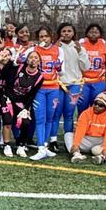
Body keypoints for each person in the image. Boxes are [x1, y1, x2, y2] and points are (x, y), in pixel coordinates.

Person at [29, 26, 63, 160]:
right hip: (39, 88)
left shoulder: (58, 50)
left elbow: (62, 72)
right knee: (40, 118)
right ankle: (40, 147)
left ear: (51, 37)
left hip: (54, 87)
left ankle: (45, 145)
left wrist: (59, 67)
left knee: (50, 117)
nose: (44, 39)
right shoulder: (34, 49)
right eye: (41, 36)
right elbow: (19, 61)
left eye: (46, 36)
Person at [66, 92, 106, 165]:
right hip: (86, 140)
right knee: (68, 135)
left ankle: (102, 157)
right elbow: (80, 129)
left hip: (101, 141)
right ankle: (76, 154)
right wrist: (76, 144)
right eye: (95, 103)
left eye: (101, 105)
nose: (96, 106)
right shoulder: (86, 113)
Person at [56, 23, 88, 150]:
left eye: (69, 31)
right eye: (63, 31)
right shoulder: (56, 47)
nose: (66, 33)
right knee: (56, 114)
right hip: (59, 84)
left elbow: (85, 67)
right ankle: (53, 141)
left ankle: (68, 142)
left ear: (74, 33)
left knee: (69, 114)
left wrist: (80, 52)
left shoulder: (79, 47)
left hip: (74, 85)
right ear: (60, 33)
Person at [6, 50, 44, 157]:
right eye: (31, 57)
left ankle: (21, 146)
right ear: (27, 60)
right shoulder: (18, 68)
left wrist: (26, 108)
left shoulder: (40, 77)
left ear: (39, 61)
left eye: (36, 58)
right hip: (9, 98)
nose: (33, 59)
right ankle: (6, 144)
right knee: (7, 118)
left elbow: (32, 94)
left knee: (26, 122)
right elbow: (8, 85)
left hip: (22, 102)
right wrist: (11, 99)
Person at [79, 23, 106, 111]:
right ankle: (82, 124)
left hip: (99, 82)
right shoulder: (81, 46)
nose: (93, 34)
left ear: (100, 34)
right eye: (91, 32)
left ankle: (95, 125)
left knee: (98, 109)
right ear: (86, 33)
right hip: (83, 82)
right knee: (82, 108)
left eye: (96, 32)